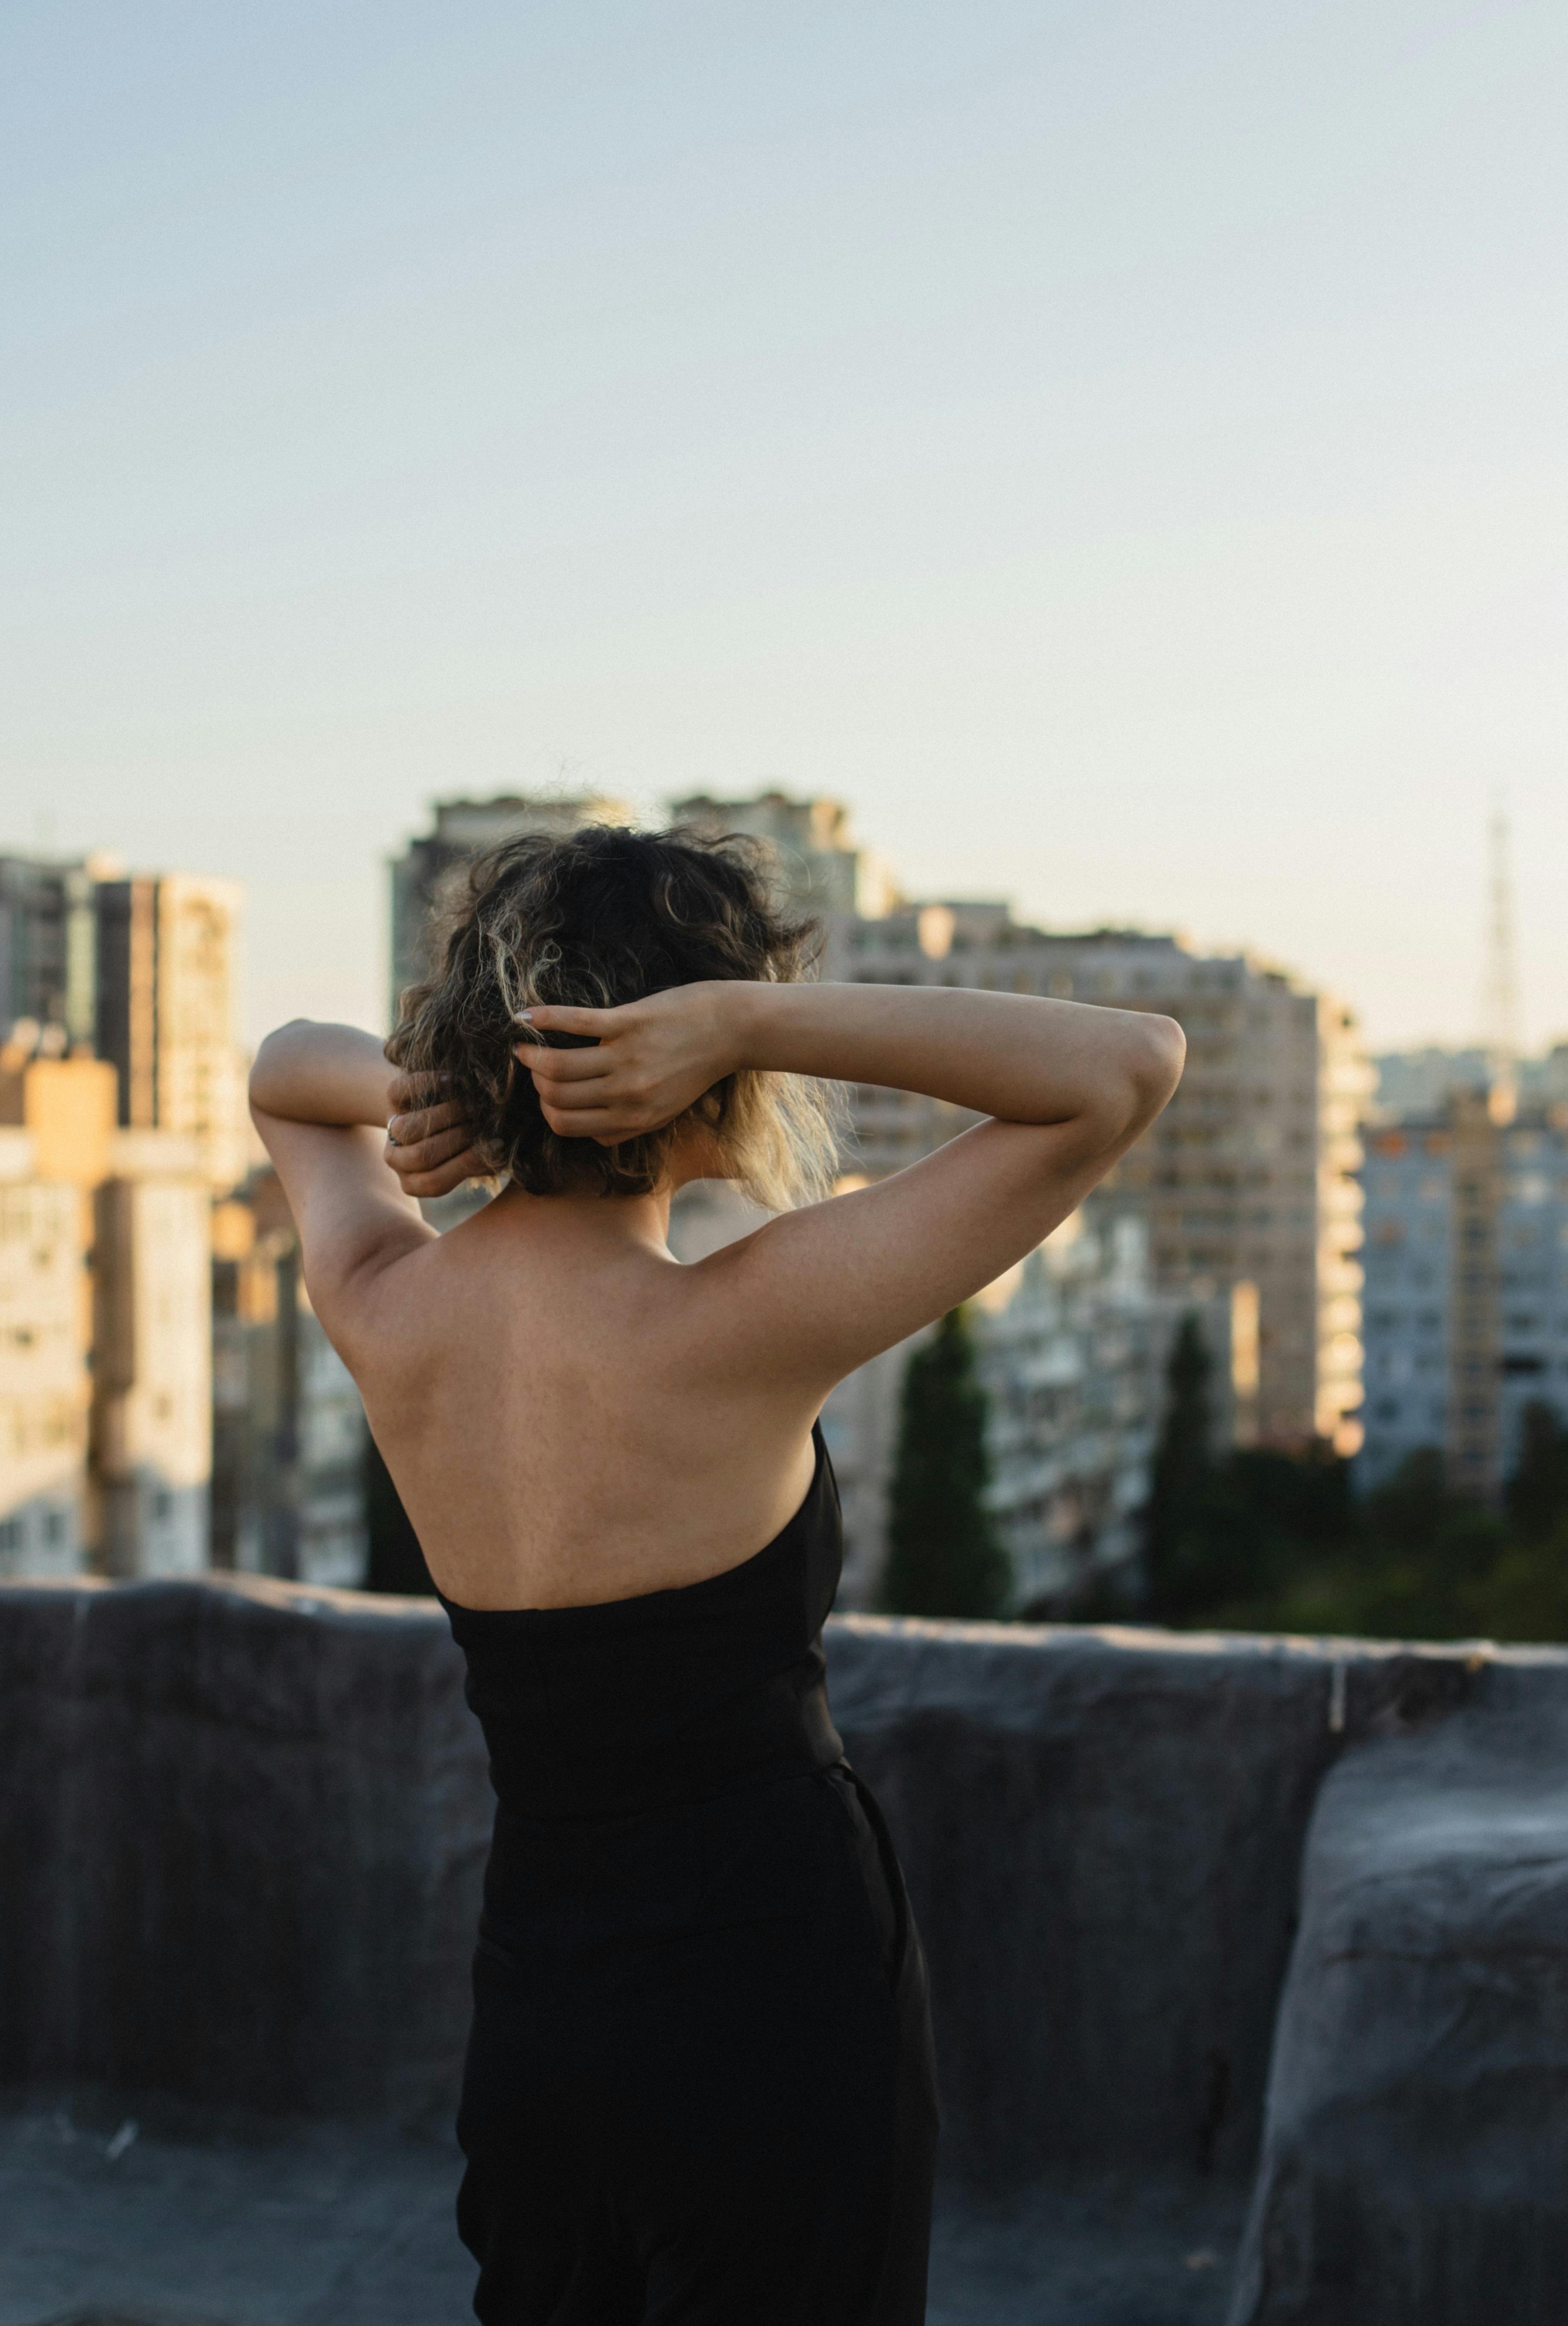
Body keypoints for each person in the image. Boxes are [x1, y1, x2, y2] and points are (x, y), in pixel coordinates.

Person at [247, 824, 1184, 2326]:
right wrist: (753, 1017)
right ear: (698, 1070)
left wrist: (446, 1093)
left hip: (539, 1988)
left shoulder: (386, 1303)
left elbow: (285, 1070)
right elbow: (1127, 1065)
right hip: (774, 1981)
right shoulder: (743, 1325)